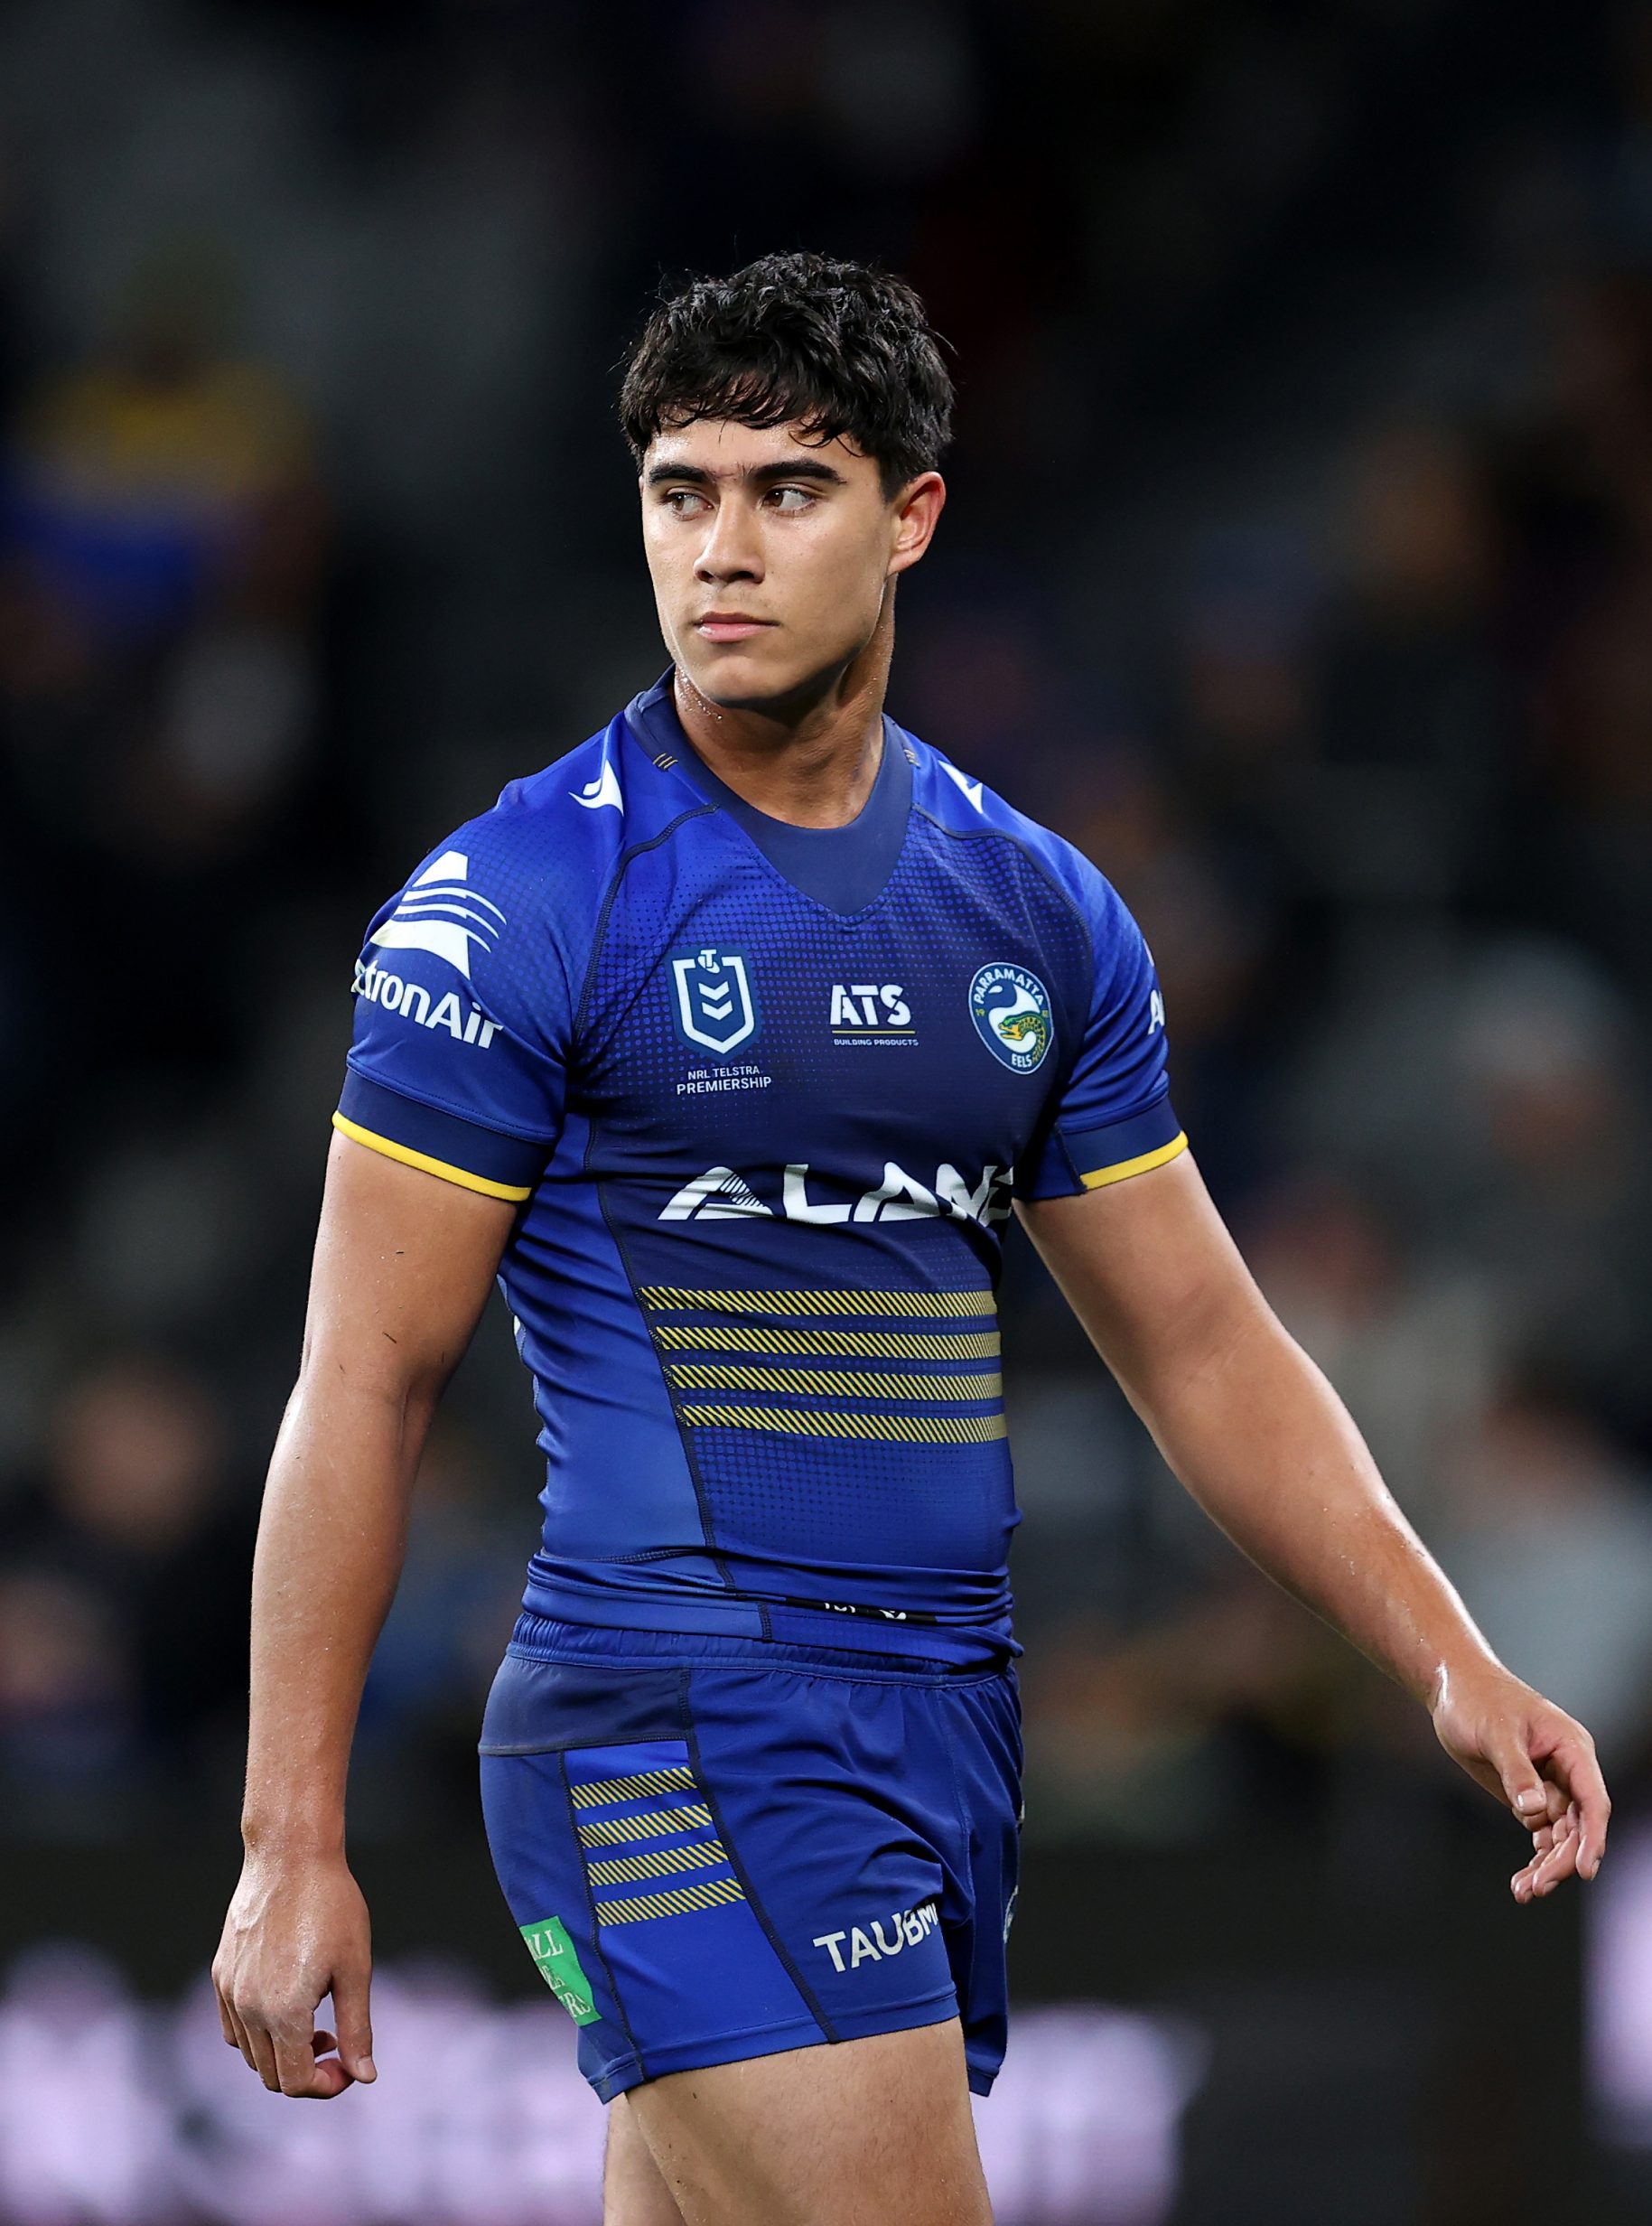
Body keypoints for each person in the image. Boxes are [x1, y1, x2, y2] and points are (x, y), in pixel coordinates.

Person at [212, 255, 1610, 2226]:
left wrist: (1446, 1655)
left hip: (944, 1728)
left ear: (912, 516)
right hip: (679, 1721)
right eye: (679, 491)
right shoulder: (526, 897)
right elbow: (364, 1376)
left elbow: (1203, 1341)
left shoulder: (1032, 915)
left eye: (786, 489)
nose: (721, 546)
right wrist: (292, 1838)